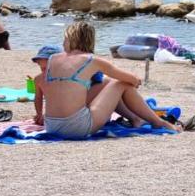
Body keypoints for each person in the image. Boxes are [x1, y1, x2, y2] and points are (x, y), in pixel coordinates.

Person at [36, 22, 183, 139]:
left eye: (65, 39)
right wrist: (133, 83)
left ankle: (136, 119)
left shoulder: (53, 59)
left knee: (106, 83)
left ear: (72, 40)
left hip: (52, 125)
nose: (63, 43)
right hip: (77, 128)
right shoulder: (92, 60)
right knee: (119, 83)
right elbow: (133, 80)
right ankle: (158, 122)